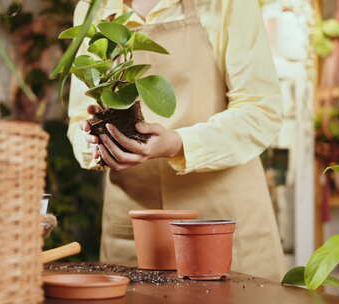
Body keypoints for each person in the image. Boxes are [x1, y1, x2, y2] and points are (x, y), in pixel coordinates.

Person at [67, 0, 285, 281]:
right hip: (133, 226)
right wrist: (98, 144)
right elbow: (78, 119)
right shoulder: (93, 7)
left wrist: (179, 143)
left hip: (219, 221)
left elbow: (261, 110)